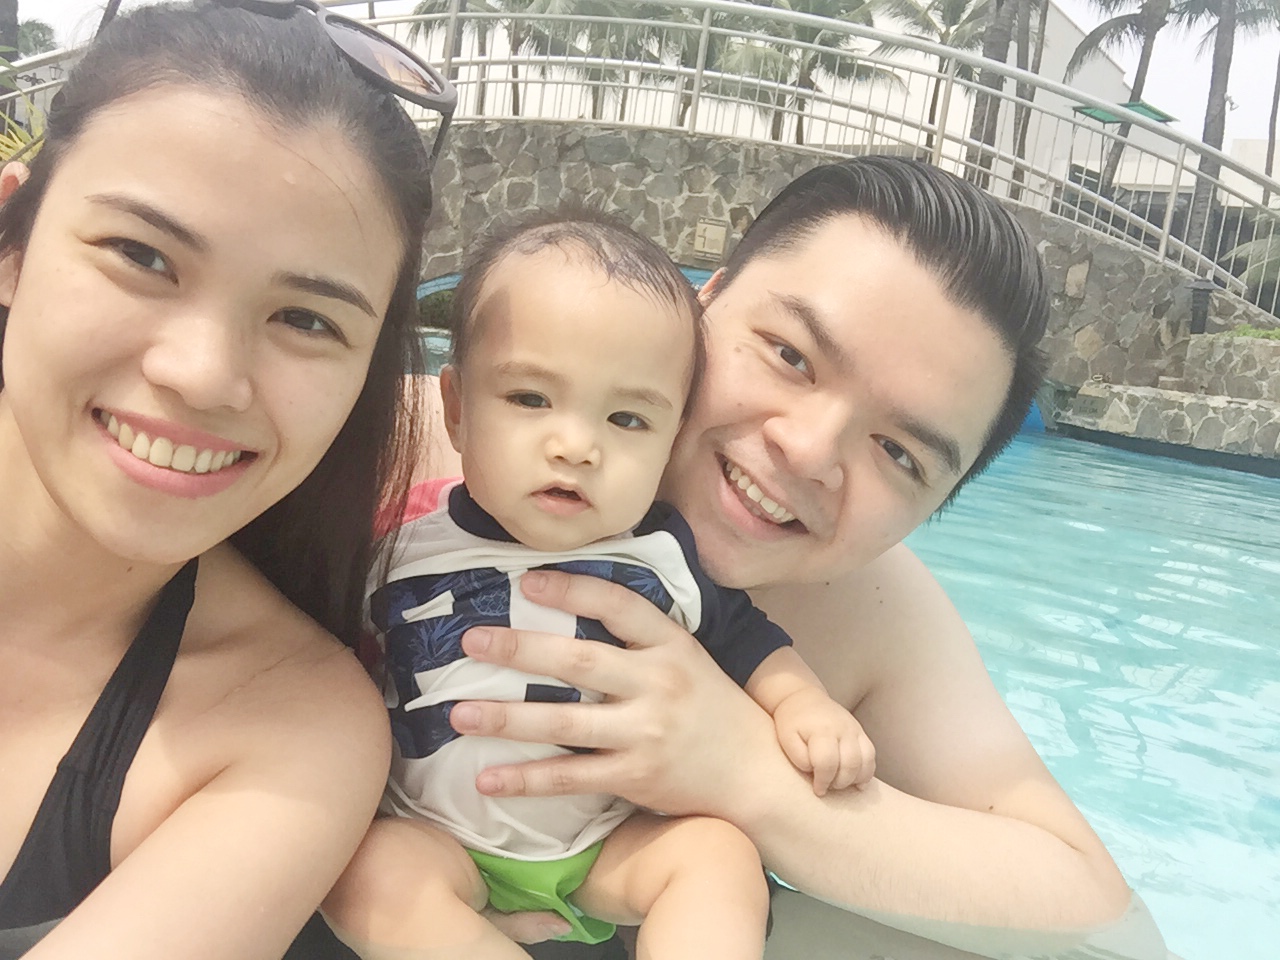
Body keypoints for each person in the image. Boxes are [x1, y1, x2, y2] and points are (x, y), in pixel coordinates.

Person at [333, 156, 1140, 958]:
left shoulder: (875, 612)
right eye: (790, 355)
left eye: (898, 453)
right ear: (703, 305)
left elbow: (1097, 911)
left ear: (936, 508)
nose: (808, 450)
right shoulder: (403, 450)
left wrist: (747, 773)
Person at [0, 1, 455, 957]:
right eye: (142, 256)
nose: (205, 375)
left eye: (307, 320)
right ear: (12, 243)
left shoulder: (290, 728)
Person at [324, 211, 875, 959]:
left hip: (604, 845)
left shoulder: (661, 559)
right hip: (434, 836)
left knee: (718, 857)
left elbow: (749, 641)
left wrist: (804, 703)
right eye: (530, 399)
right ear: (456, 410)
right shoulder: (396, 552)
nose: (577, 446)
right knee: (370, 875)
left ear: (671, 440)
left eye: (627, 419)